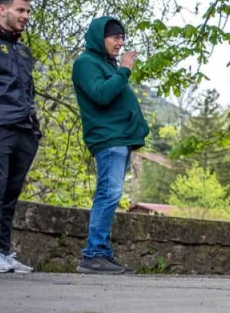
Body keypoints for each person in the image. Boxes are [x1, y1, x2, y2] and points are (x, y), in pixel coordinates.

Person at [72, 16, 149, 274]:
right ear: (99, 38)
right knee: (108, 193)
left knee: (111, 194)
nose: (120, 43)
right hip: (108, 139)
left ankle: (101, 253)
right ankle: (93, 254)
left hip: (119, 140)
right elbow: (102, 95)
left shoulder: (106, 64)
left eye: (122, 38)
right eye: (115, 38)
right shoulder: (86, 63)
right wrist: (124, 69)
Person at [0, 0, 39, 274]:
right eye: (20, 11)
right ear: (2, 10)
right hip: (0, 126)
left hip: (24, 129)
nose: (25, 16)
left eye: (27, 12)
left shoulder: (22, 50)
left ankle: (2, 252)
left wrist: (34, 127)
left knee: (11, 193)